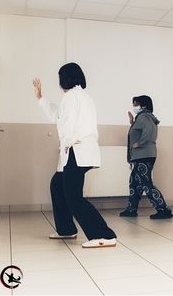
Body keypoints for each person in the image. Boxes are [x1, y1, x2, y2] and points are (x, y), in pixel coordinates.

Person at [33, 63, 117, 248]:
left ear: (66, 78)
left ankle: (104, 235)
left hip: (76, 151)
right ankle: (66, 229)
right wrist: (40, 98)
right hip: (78, 150)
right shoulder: (81, 97)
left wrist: (67, 141)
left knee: (73, 196)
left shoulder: (72, 96)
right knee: (57, 185)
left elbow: (67, 123)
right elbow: (59, 115)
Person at [119, 95, 173, 219]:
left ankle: (164, 209)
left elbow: (149, 130)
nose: (134, 107)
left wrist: (140, 143)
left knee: (146, 183)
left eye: (136, 104)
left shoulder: (143, 116)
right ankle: (131, 209)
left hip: (143, 155)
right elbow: (141, 130)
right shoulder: (144, 117)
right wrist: (132, 123)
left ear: (143, 106)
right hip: (142, 155)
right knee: (134, 182)